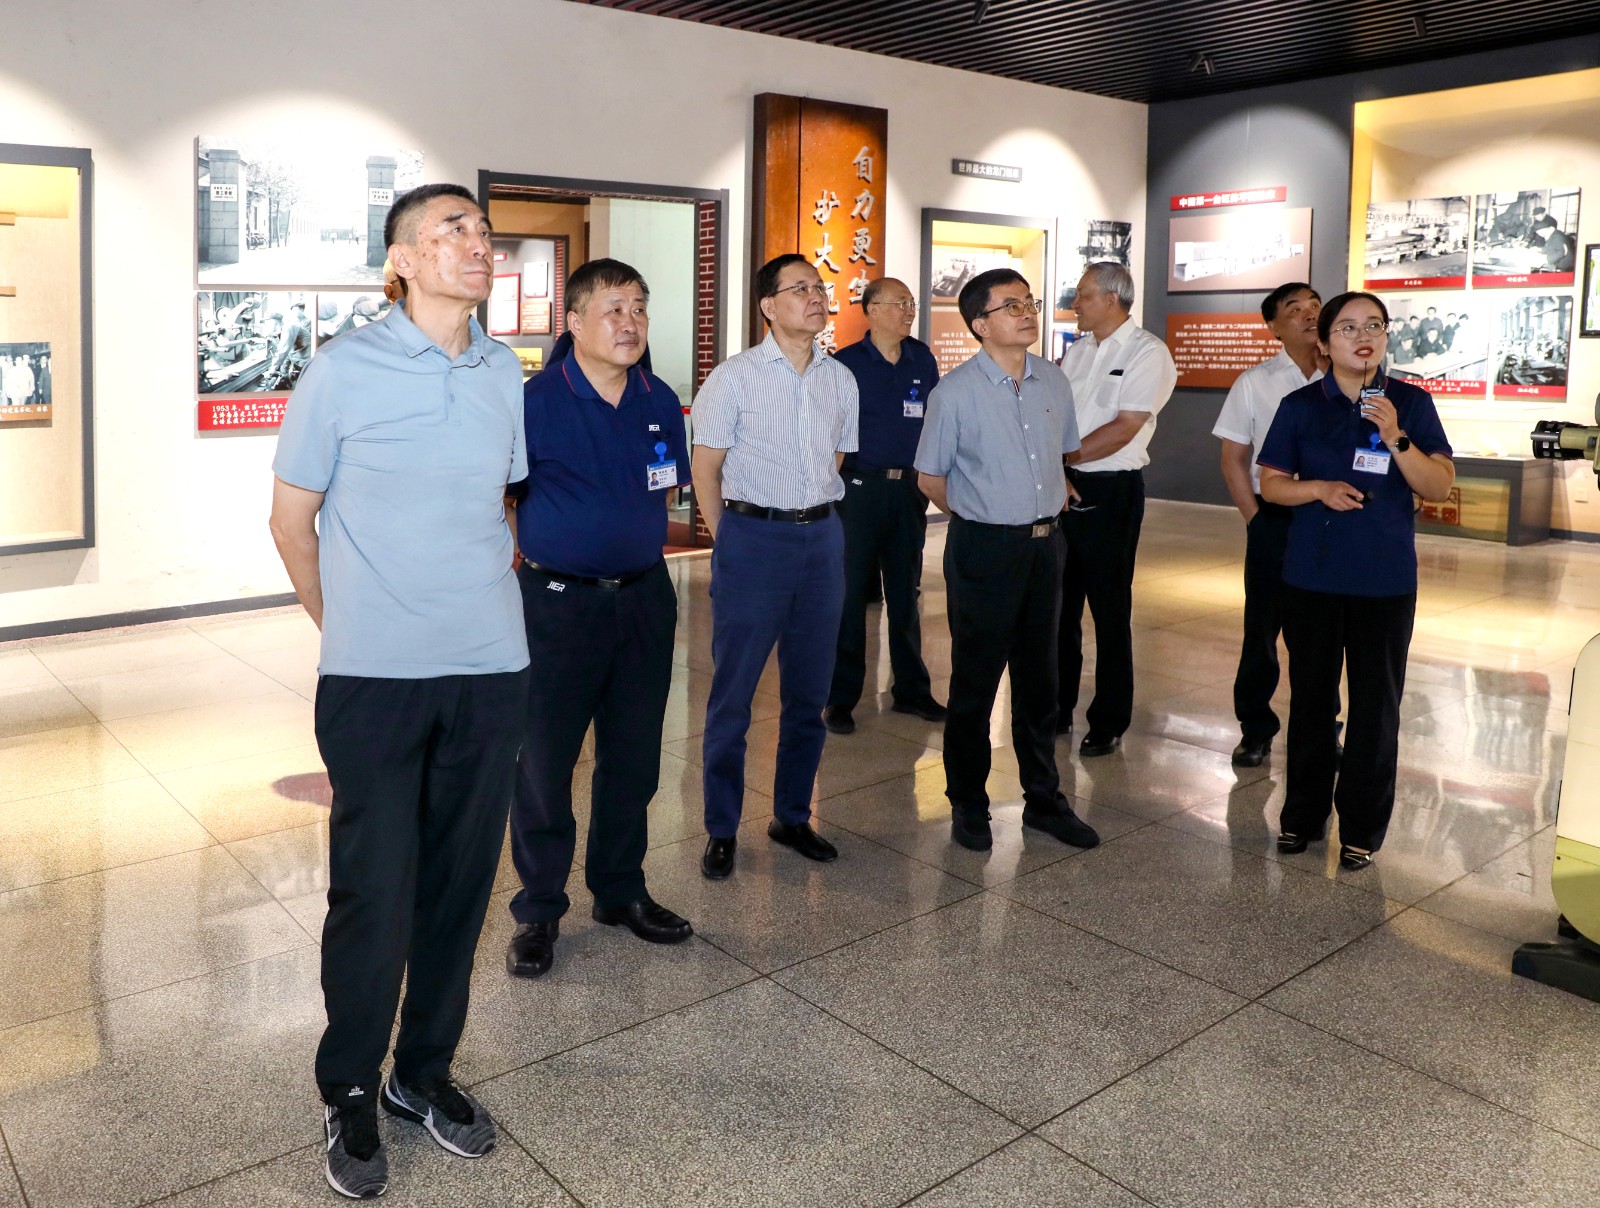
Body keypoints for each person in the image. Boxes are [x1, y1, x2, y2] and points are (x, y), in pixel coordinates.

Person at [269, 183, 528, 1199]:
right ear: (403, 260)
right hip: (375, 678)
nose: (478, 242)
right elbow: (291, 521)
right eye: (452, 229)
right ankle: (348, 1085)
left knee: (461, 887)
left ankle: (421, 1073)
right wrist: (350, 627)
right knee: (375, 890)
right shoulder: (343, 369)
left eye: (483, 230)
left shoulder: (502, 369)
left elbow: (495, 503)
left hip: (490, 668)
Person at [502, 258, 693, 980]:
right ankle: (539, 910)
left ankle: (619, 890)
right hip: (557, 604)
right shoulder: (534, 402)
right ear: (575, 322)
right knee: (545, 761)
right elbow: (502, 497)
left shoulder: (657, 398)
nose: (630, 322)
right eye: (614, 308)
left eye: (639, 307)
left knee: (634, 755)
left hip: (644, 598)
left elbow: (662, 488)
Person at [1258, 291, 1454, 871]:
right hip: (1312, 576)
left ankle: (1363, 828)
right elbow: (1272, 484)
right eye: (1347, 328)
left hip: (1384, 580)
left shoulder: (1411, 403)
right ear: (1323, 343)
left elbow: (1438, 485)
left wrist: (1395, 435)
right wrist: (1318, 489)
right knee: (1312, 702)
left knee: (1376, 708)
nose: (1363, 336)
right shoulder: (1299, 405)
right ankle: (1302, 816)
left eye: (1374, 326)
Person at [914, 268, 1099, 853]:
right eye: (1010, 306)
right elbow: (930, 479)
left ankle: (1044, 801)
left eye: (1029, 302)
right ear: (980, 324)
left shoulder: (1053, 380)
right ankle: (968, 801)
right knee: (976, 682)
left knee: (1041, 682)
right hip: (985, 549)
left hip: (1048, 547)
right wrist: (984, 514)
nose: (1026, 313)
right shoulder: (954, 393)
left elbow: (1062, 456)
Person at [691, 253, 859, 878]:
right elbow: (706, 469)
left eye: (819, 287)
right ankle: (721, 827)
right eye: (799, 289)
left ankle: (792, 815)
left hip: (822, 539)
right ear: (768, 305)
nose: (816, 297)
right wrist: (730, 540)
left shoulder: (841, 379)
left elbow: (835, 459)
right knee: (733, 695)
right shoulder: (733, 378)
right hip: (753, 539)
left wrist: (806, 510)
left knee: (809, 692)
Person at [1057, 261, 1177, 756]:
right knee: (1060, 606)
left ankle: (1108, 719)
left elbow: (1125, 427)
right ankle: (1057, 707)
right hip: (1063, 484)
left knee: (1108, 609)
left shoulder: (1148, 352)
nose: (1076, 304)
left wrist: (1060, 461)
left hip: (1111, 491)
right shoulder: (1078, 351)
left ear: (1112, 298)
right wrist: (1057, 470)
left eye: (1083, 295)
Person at [823, 276, 944, 734]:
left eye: (911, 303)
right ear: (872, 310)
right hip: (858, 490)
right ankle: (841, 698)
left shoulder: (922, 359)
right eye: (899, 303)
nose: (909, 311)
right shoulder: (846, 364)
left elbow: (934, 423)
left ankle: (911, 690)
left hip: (908, 490)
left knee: (906, 592)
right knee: (851, 595)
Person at [1212, 283, 1325, 769]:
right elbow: (1233, 459)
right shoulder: (1255, 382)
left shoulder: (1347, 377)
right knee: (1262, 629)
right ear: (1274, 326)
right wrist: (1256, 519)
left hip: (1330, 517)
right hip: (1274, 517)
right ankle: (1255, 728)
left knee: (1321, 633)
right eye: (1295, 310)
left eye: (1315, 306)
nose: (1309, 315)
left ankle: (1321, 728)